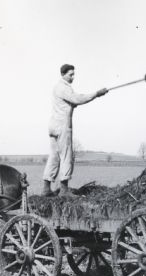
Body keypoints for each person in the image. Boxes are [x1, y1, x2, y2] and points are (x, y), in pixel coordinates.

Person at [42, 64, 108, 197]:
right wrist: (96, 94)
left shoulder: (57, 87)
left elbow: (71, 102)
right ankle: (64, 190)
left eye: (73, 74)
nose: (73, 77)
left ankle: (46, 188)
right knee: (66, 156)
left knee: (54, 156)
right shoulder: (64, 88)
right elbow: (77, 99)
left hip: (53, 125)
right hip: (62, 126)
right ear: (63, 74)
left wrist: (74, 103)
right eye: (70, 74)